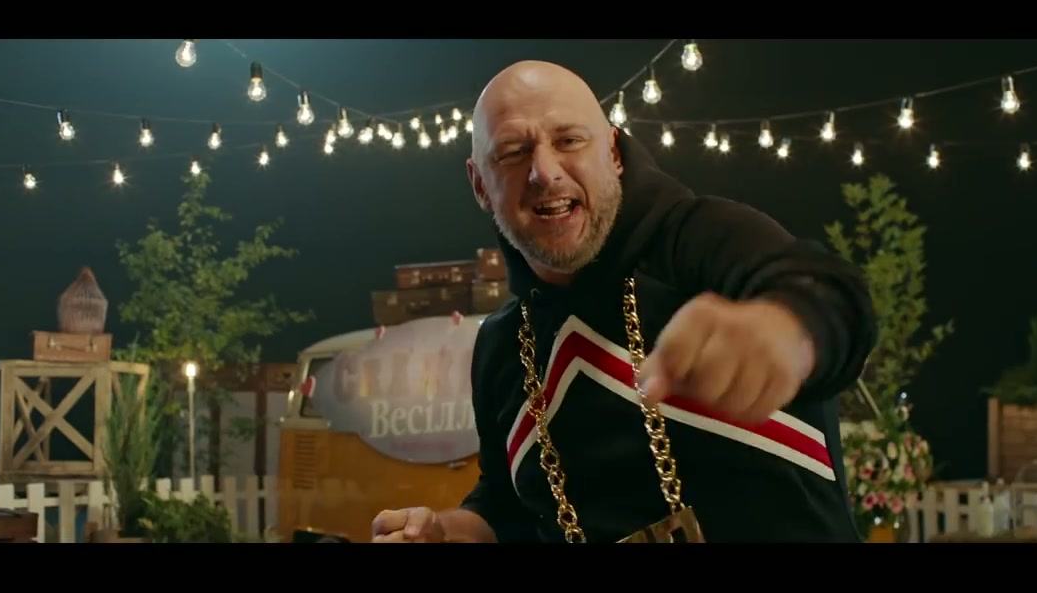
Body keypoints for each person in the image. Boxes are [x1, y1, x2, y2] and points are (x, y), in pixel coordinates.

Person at [371, 60, 877, 543]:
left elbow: (831, 295)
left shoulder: (698, 239)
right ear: (480, 184)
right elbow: (507, 509)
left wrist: (785, 327)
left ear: (613, 152)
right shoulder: (501, 346)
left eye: (569, 140)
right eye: (512, 152)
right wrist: (444, 531)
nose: (544, 171)